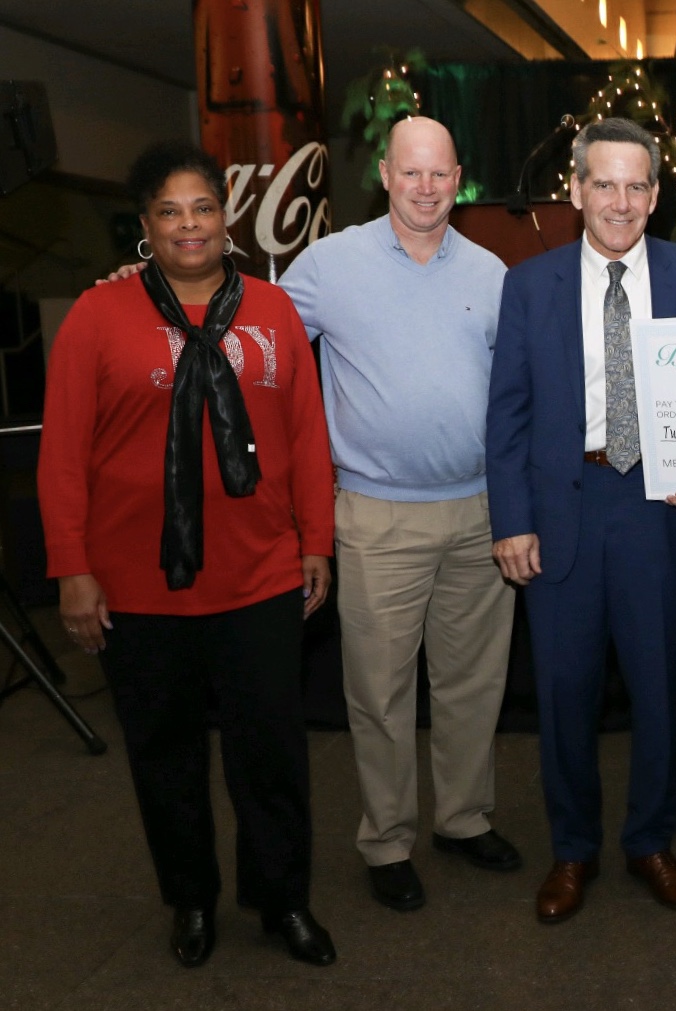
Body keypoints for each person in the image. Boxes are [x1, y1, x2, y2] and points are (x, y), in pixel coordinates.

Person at [39, 140, 337, 967]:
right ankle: (191, 900)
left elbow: (308, 438)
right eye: (169, 211)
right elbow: (62, 452)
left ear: (226, 219)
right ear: (146, 227)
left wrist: (318, 539)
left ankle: (282, 900)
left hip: (261, 576)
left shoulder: (274, 312)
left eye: (202, 207)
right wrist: (71, 566)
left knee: (271, 756)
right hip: (139, 590)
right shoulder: (98, 317)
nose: (189, 224)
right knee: (165, 759)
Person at [486, 117, 676, 923]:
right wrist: (512, 519)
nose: (619, 200)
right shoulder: (530, 284)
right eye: (604, 183)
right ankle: (573, 848)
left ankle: (652, 841)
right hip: (564, 509)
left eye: (636, 185)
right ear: (577, 190)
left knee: (660, 688)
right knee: (564, 691)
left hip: (660, 509)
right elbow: (508, 414)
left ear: (655, 196)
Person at [277, 116, 521, 912]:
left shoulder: (492, 273)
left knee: (473, 683)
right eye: (410, 172)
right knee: (378, 692)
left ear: (461, 179)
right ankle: (386, 838)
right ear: (384, 174)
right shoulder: (328, 264)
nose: (425, 188)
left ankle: (461, 816)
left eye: (440, 174)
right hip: (377, 516)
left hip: (481, 511)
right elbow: (260, 336)